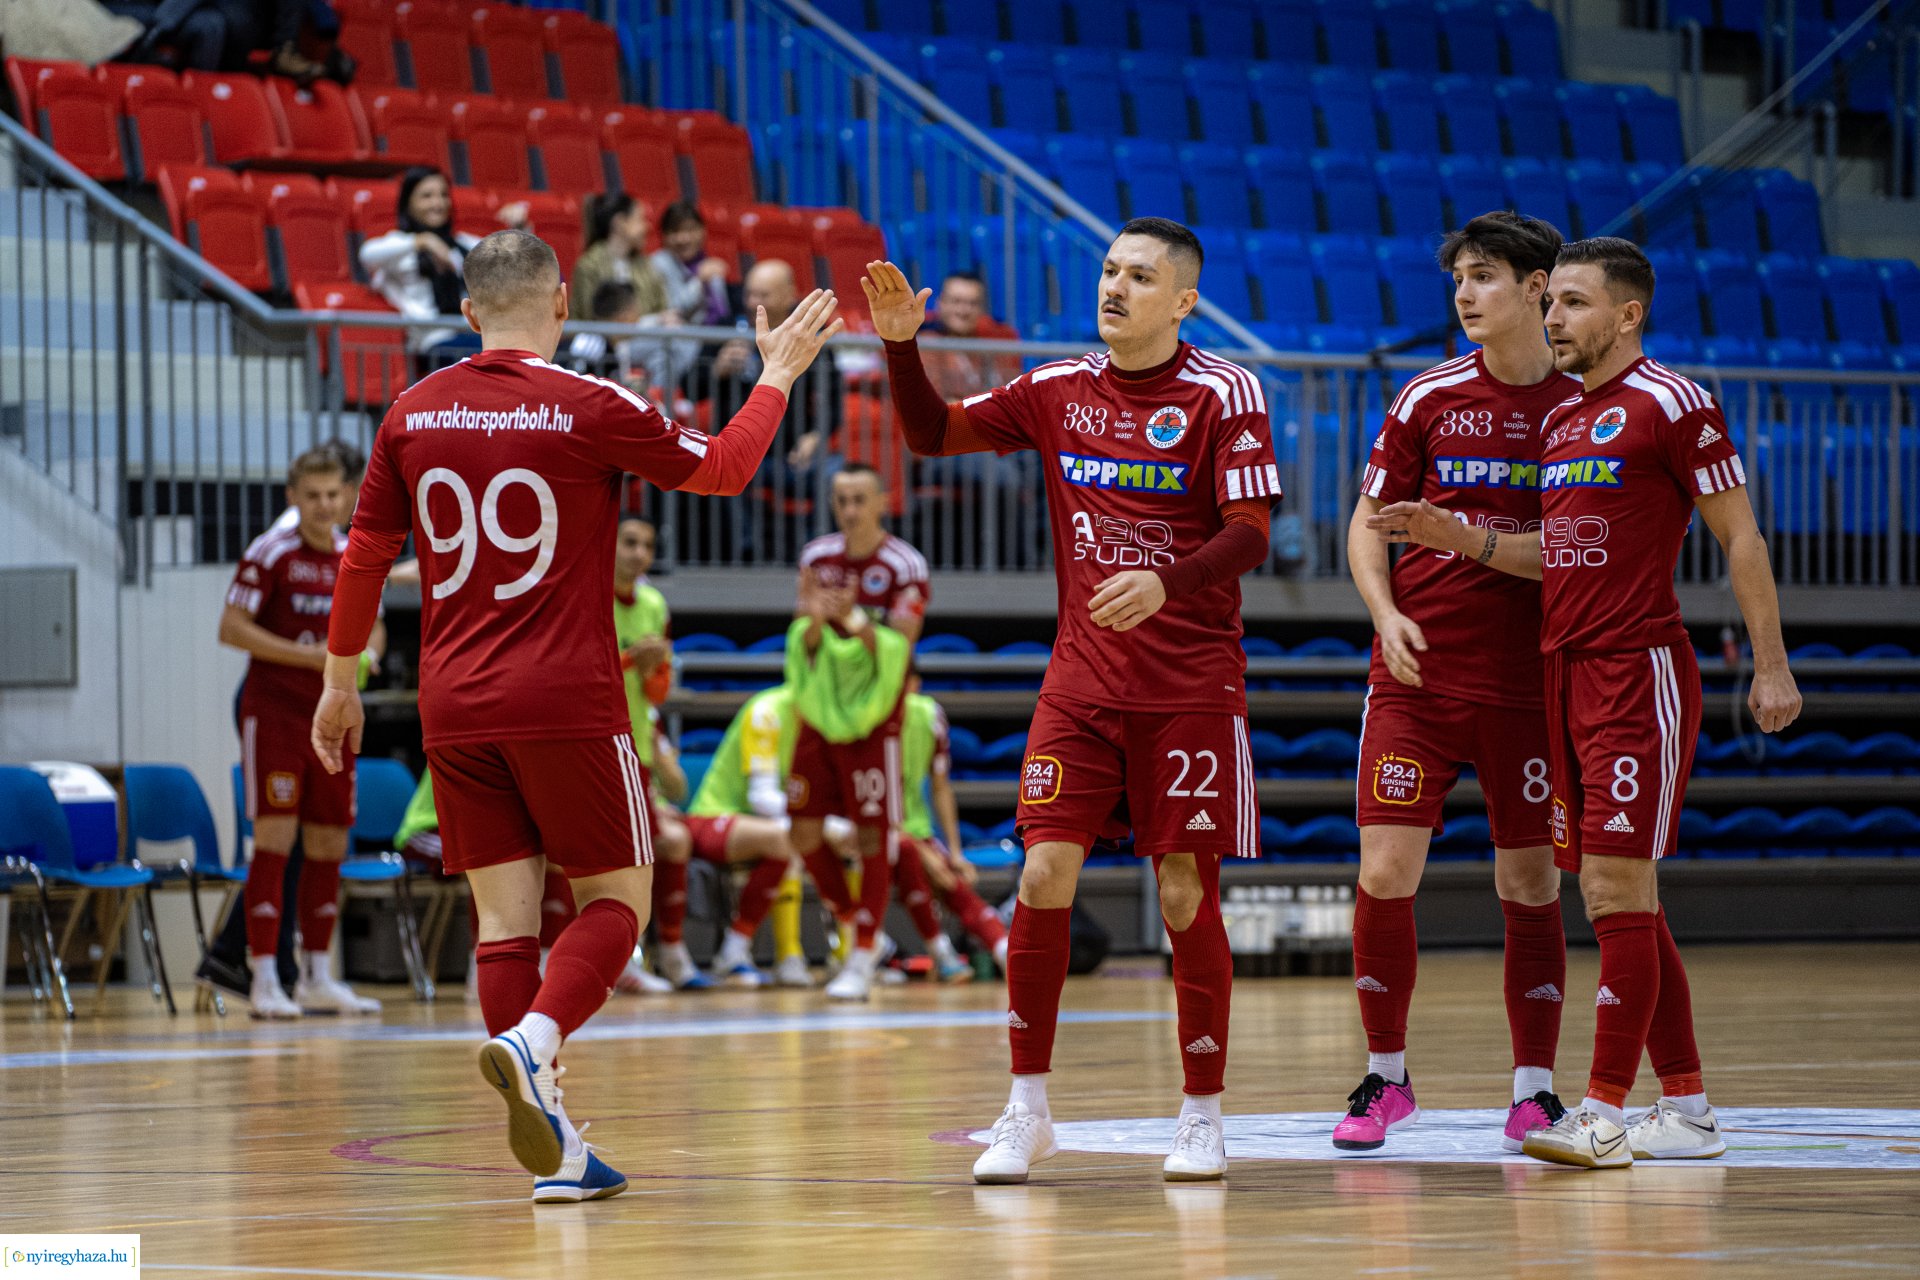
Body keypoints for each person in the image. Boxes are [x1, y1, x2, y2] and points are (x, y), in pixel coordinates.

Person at [312, 229, 842, 1202]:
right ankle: (534, 1039)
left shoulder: (409, 412)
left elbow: (360, 555)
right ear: (564, 303)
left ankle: (556, 1152)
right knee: (617, 905)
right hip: (563, 695)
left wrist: (340, 682)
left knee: (506, 922)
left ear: (468, 312)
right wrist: (777, 375)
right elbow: (723, 469)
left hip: (452, 702)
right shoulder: (591, 403)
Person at [1369, 236, 1802, 1169]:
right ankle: (1685, 1108)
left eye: (1571, 303)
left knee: (1611, 890)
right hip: (1561, 675)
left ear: (1627, 314)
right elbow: (1550, 554)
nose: (1554, 318)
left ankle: (1602, 1111)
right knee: (1627, 899)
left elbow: (1742, 537)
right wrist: (1464, 536)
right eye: (1552, 302)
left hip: (1636, 669)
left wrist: (1770, 664)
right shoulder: (1566, 423)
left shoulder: (1673, 403)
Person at [869, 216, 1279, 1184]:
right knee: (1042, 874)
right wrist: (900, 346)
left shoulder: (1227, 391)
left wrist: (1166, 582)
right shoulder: (1057, 389)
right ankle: (1026, 1107)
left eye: (1139, 276)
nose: (1115, 287)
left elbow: (1251, 531)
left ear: (1183, 299)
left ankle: (1203, 1112)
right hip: (1084, 678)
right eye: (1108, 270)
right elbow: (931, 434)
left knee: (1183, 887)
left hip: (1190, 683)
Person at [1335, 212, 1583, 1155]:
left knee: (1527, 883)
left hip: (1529, 683)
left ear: (1535, 286)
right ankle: (1384, 1080)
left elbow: (1577, 554)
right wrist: (1385, 612)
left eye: (1484, 277)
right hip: (1416, 675)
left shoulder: (1581, 409)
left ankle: (1533, 1092)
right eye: (1458, 280)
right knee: (1384, 870)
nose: (1465, 296)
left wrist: (1468, 539)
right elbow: (1367, 526)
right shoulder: (1426, 397)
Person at [198, 438, 374, 1010]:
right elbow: (231, 628)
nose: (324, 505)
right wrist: (311, 656)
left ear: (348, 496)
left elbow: (370, 628)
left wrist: (363, 651)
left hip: (333, 711)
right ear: (292, 497)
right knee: (273, 839)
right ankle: (264, 978)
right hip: (273, 711)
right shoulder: (270, 551)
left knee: (328, 840)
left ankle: (317, 976)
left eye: (332, 494)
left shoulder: (352, 554)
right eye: (312, 496)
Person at [787, 463, 929, 1001]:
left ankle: (863, 953)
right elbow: (802, 631)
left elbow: (898, 647)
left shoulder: (904, 564)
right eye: (841, 500)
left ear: (881, 502)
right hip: (820, 712)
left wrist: (853, 621)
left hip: (873, 719)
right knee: (801, 830)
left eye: (858, 500)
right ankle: (856, 925)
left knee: (873, 836)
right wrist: (822, 621)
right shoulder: (815, 557)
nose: (849, 510)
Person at [683, 684, 854, 989]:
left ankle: (849, 952)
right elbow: (761, 798)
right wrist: (827, 826)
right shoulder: (767, 712)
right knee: (789, 839)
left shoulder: (825, 724)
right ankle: (747, 953)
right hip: (714, 817)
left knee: (820, 840)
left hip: (777, 827)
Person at [611, 515, 707, 991]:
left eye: (647, 545)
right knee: (618, 859)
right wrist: (632, 660)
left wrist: (649, 670)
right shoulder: (583, 595)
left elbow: (658, 692)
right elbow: (575, 672)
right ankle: (623, 960)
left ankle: (668, 950)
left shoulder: (654, 604)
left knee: (661, 846)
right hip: (593, 745)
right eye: (629, 542)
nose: (638, 553)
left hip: (637, 750)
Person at [892, 679, 1009, 981]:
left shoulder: (929, 716)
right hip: (865, 830)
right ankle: (943, 954)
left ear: (915, 684)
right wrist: (922, 851)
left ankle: (1004, 949)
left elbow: (941, 788)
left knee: (950, 875)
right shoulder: (862, 718)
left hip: (914, 831)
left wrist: (954, 852)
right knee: (911, 856)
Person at [359, 169, 525, 365]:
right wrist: (423, 240)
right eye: (426, 196)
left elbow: (514, 266)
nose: (437, 204)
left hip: (470, 335)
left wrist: (520, 232)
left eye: (443, 195)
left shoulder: (462, 244)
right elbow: (367, 254)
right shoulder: (401, 245)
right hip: (433, 343)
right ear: (408, 203)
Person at [570, 194, 673, 324]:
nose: (647, 227)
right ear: (619, 223)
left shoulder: (646, 265)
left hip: (648, 342)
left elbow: (661, 307)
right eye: (640, 220)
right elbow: (590, 317)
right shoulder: (589, 266)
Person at [921, 272, 1021, 402]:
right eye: (956, 301)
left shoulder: (995, 341)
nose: (963, 310)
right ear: (940, 303)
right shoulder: (928, 344)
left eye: (973, 303)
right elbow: (936, 404)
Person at [649, 201, 736, 328]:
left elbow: (723, 309)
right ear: (664, 236)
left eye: (690, 230)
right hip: (685, 338)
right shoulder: (659, 263)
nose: (683, 238)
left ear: (703, 231)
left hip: (717, 332)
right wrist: (699, 282)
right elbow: (673, 310)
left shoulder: (706, 261)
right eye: (675, 231)